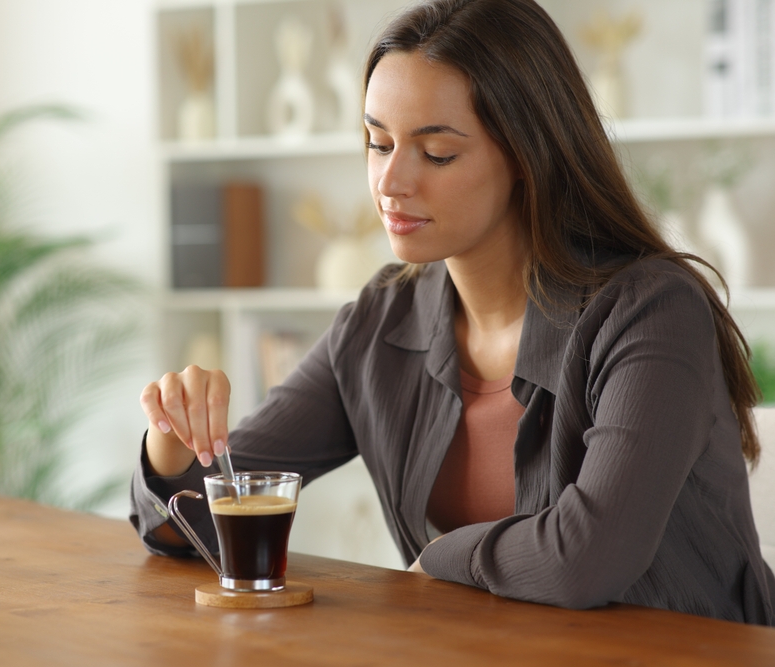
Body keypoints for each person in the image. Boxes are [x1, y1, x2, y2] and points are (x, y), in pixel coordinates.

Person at [130, 0, 775, 625]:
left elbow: (588, 558)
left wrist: (439, 557)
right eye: (378, 143)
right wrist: (171, 440)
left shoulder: (651, 313)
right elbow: (196, 523)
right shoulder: (379, 323)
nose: (390, 183)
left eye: (436, 152)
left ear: (528, 157)